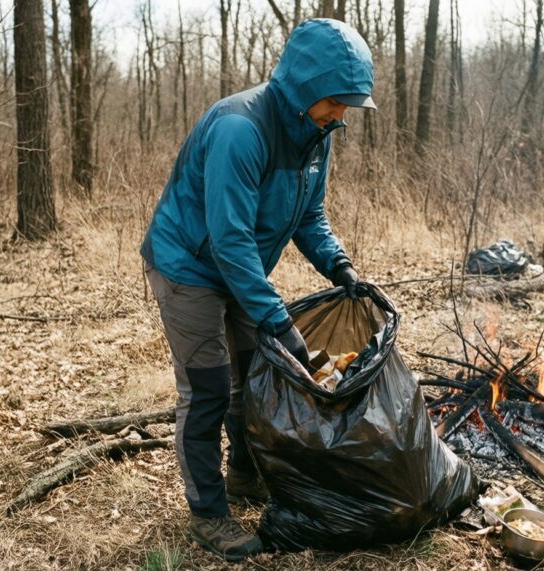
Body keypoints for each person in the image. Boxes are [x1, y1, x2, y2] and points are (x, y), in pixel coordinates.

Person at [140, 18, 375, 562]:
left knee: (255, 379)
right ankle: (208, 515)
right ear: (306, 87)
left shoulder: (316, 136)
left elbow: (308, 216)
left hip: (239, 268)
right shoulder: (238, 129)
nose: (342, 115)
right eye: (337, 102)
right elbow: (229, 240)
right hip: (188, 267)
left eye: (348, 105)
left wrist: (339, 267)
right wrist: (277, 319)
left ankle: (245, 475)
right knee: (208, 390)